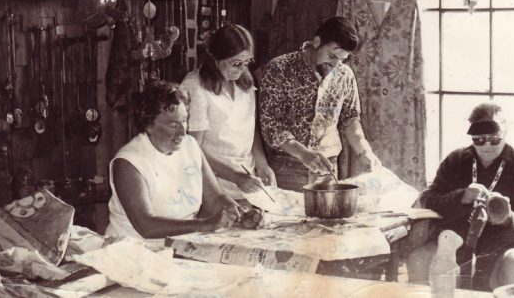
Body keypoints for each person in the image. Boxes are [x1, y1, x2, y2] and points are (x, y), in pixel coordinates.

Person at [407, 102, 514, 291]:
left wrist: (510, 220)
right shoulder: (455, 161)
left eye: (494, 139)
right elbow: (429, 198)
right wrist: (460, 197)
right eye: (479, 140)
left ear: (505, 134)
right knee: (419, 260)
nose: (487, 145)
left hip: (506, 246)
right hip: (457, 243)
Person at [106, 81, 241, 247]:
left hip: (179, 244)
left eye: (184, 121)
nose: (182, 132)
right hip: (132, 249)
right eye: (173, 125)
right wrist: (204, 224)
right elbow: (146, 226)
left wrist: (240, 214)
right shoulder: (129, 162)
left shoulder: (190, 146)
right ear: (149, 125)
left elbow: (214, 198)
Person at [259, 16, 381, 191]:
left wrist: (364, 151)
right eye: (332, 56)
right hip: (288, 167)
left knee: (327, 218)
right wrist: (304, 154)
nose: (335, 64)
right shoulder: (280, 68)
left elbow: (349, 119)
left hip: (327, 169)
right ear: (317, 42)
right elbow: (271, 124)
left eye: (342, 59)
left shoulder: (344, 75)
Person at [181, 24, 275, 198]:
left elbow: (251, 131)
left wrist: (262, 165)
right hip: (212, 183)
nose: (242, 69)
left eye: (247, 63)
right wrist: (236, 177)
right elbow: (194, 149)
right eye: (236, 63)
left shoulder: (245, 83)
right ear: (216, 57)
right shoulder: (196, 86)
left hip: (247, 179)